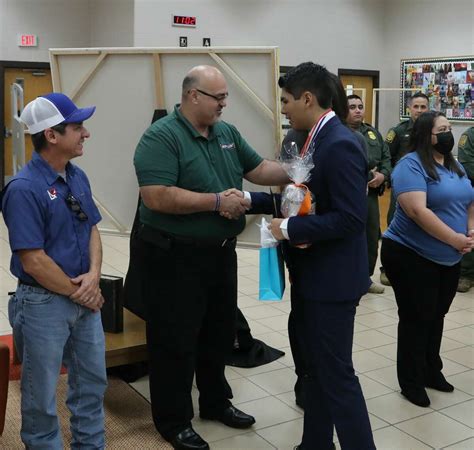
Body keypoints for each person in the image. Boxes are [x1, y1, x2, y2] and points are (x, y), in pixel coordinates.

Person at [132, 65, 289, 450]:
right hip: (174, 258)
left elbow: (258, 169)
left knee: (218, 333)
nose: (223, 104)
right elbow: (156, 195)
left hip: (219, 254)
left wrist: (297, 171)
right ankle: (173, 421)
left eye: (225, 97)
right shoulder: (161, 137)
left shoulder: (227, 133)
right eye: (217, 97)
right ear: (192, 96)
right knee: (175, 340)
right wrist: (216, 201)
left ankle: (216, 403)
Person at [253, 62, 375, 450]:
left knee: (337, 375)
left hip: (333, 281)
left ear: (308, 98)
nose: (284, 108)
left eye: (287, 101)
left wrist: (286, 229)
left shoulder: (338, 143)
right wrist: (252, 201)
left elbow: (350, 218)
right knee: (317, 372)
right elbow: (305, 200)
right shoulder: (310, 140)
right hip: (312, 275)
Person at [1, 93, 107, 449]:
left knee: (92, 387)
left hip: (84, 300)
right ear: (51, 135)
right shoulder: (22, 189)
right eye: (77, 127)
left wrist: (93, 276)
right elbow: (33, 260)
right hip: (43, 304)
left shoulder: (78, 177)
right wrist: (80, 291)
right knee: (40, 399)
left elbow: (92, 227)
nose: (86, 134)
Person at [381, 111, 474, 407]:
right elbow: (417, 212)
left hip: (448, 257)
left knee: (436, 317)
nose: (448, 134)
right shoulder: (410, 165)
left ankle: (431, 370)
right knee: (415, 318)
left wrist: (470, 230)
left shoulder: (453, 163)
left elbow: (470, 198)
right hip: (411, 254)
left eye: (449, 128)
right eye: (442, 130)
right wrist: (455, 239)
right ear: (425, 136)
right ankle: (410, 381)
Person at [380, 91, 430, 285]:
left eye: (423, 106)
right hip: (404, 188)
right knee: (395, 225)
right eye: (415, 106)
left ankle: (416, 266)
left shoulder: (432, 130)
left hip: (428, 187)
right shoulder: (399, 131)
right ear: (409, 108)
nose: (419, 110)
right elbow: (387, 156)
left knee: (423, 226)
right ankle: (387, 269)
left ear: (428, 108)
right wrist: (394, 179)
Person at [347, 94, 392, 294]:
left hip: (371, 195)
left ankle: (365, 279)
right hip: (348, 193)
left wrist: (383, 175)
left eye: (360, 106)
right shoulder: (338, 132)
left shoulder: (373, 133)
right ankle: (347, 278)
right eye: (352, 107)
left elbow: (386, 158)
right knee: (348, 236)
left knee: (371, 236)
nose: (358, 110)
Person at [457, 127, 474, 292]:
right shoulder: (469, 136)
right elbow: (467, 165)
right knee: (471, 231)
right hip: (472, 194)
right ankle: (466, 274)